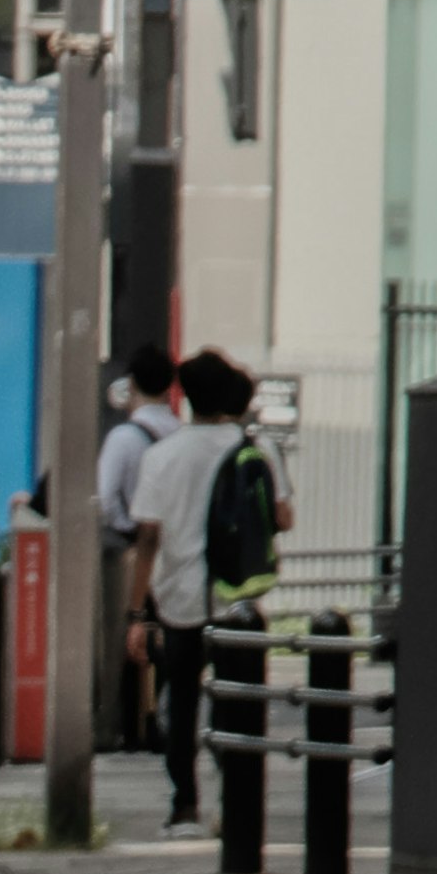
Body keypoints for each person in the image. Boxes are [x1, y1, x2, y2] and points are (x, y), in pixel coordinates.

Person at [122, 346, 282, 827]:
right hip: (240, 599)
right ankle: (237, 804)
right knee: (238, 703)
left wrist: (135, 615)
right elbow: (281, 516)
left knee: (183, 701)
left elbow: (147, 538)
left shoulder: (162, 456)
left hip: (179, 599)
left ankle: (184, 802)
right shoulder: (256, 448)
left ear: (184, 396)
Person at [95, 344, 182, 747]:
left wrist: (127, 527)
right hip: (177, 551)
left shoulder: (124, 437)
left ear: (131, 385)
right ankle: (166, 719)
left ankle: (128, 725)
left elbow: (106, 497)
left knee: (129, 634)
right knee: (171, 636)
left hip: (133, 551)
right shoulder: (181, 433)